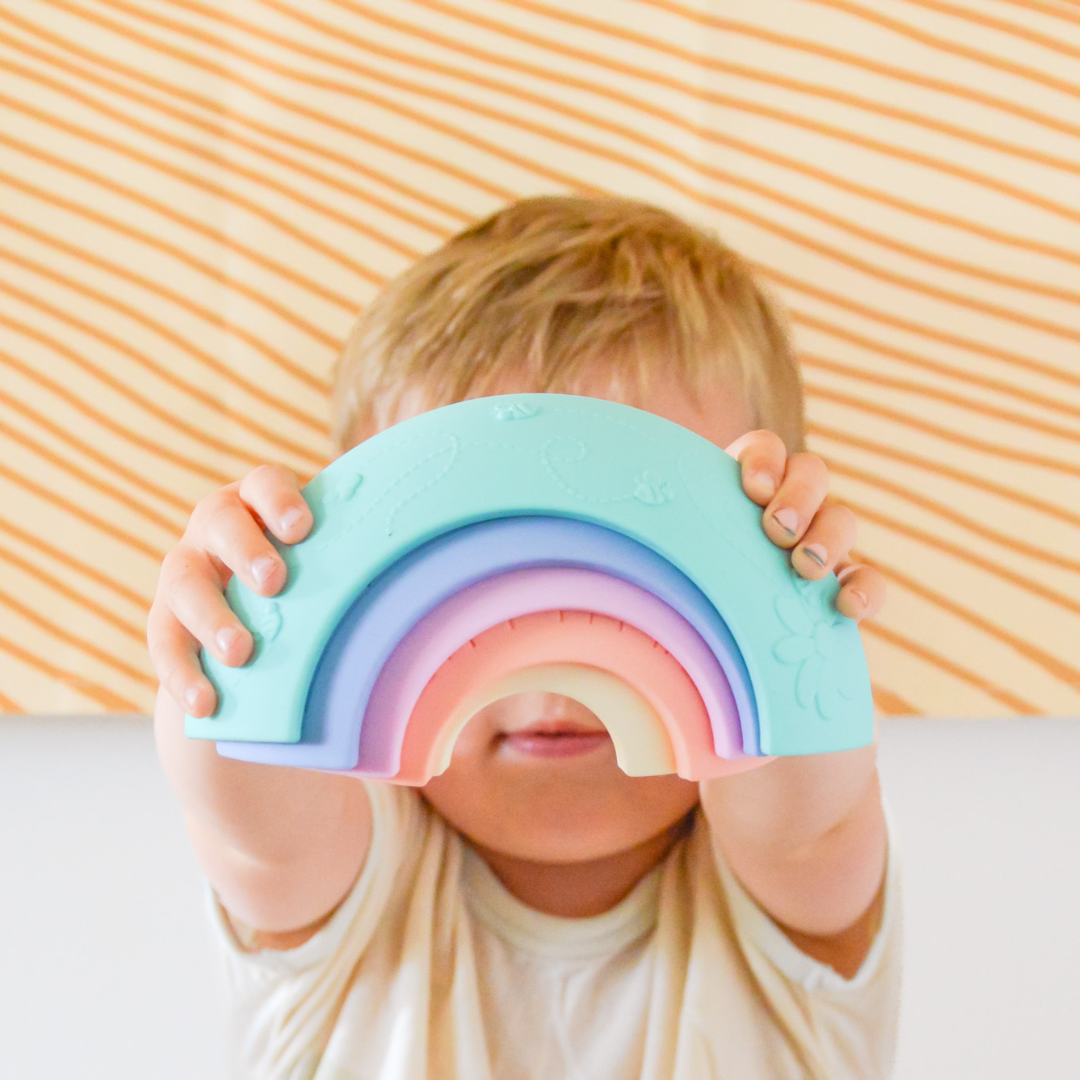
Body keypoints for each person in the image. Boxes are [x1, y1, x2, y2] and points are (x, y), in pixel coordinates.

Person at [149, 194, 900, 1080]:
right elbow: (254, 817)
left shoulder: (782, 895)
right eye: (468, 575)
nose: (558, 668)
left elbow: (808, 815)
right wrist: (241, 636)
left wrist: (791, 604)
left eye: (635, 575)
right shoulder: (353, 880)